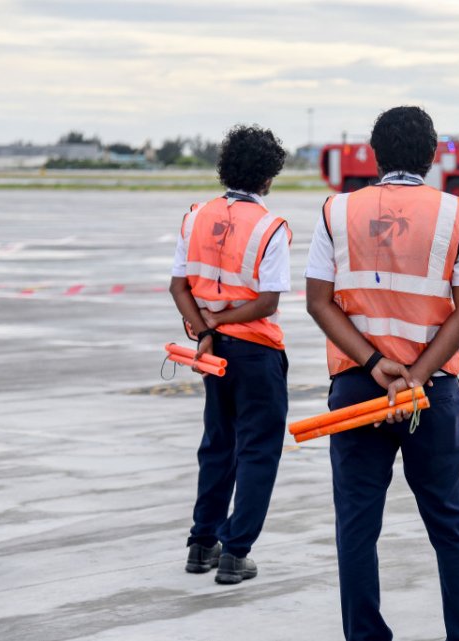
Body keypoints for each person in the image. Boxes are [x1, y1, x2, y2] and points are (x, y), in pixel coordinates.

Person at [305, 106, 459, 641]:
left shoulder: (336, 211)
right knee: (452, 527)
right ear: (432, 155)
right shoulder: (457, 214)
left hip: (358, 388)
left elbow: (319, 303)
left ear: (375, 153)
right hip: (429, 392)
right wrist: (417, 374)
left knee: (357, 530)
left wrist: (371, 363)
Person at [169, 125, 291, 583]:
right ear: (268, 177)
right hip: (256, 351)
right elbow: (268, 301)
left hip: (211, 351)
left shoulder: (196, 216)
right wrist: (221, 322)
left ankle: (202, 543)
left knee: (217, 444)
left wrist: (203, 328)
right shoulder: (269, 226)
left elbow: (179, 286)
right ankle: (235, 552)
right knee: (258, 450)